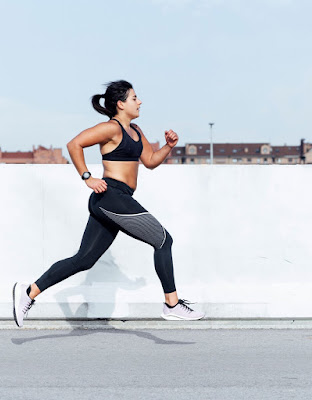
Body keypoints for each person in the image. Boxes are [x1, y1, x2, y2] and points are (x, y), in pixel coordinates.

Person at [13, 80, 205, 327]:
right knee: (163, 240)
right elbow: (74, 144)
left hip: (116, 199)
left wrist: (168, 147)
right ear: (121, 104)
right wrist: (87, 177)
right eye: (135, 98)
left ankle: (28, 292)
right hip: (110, 196)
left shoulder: (136, 131)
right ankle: (172, 304)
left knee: (84, 260)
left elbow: (150, 160)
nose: (140, 102)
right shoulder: (111, 129)